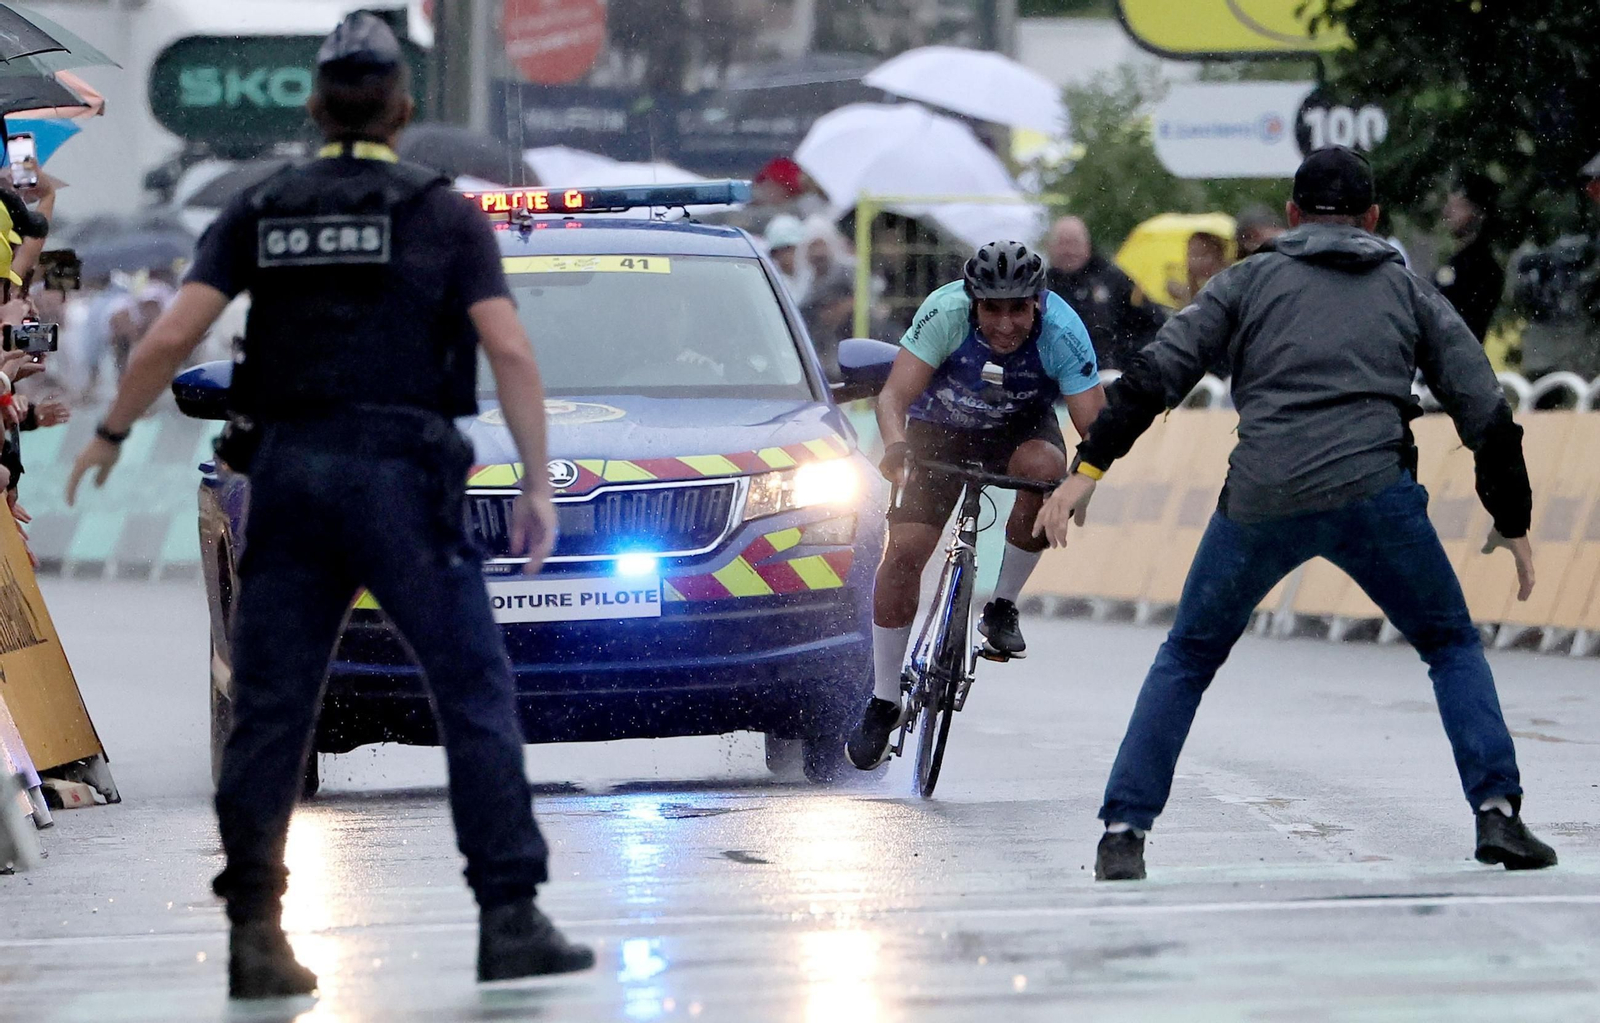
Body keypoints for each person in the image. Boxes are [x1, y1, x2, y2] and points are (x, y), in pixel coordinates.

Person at [65, 12, 594, 999]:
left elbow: (170, 338)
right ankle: (509, 917)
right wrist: (531, 482)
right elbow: (510, 352)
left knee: (271, 714)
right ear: (401, 110)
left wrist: (106, 434)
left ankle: (257, 934)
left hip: (294, 484)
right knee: (473, 694)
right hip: (407, 483)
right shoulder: (444, 215)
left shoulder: (262, 207)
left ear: (312, 108)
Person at [1034, 147, 1557, 882]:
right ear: (1374, 219)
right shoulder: (1406, 289)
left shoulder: (1247, 280)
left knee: (1187, 656)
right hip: (1375, 496)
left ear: (1290, 217)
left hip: (1261, 498)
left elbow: (1156, 374)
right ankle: (1498, 813)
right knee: (1449, 644)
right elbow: (1484, 408)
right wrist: (1513, 515)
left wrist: (1088, 469)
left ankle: (1124, 830)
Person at [845, 240, 1107, 770]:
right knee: (905, 554)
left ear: (1038, 301)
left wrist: (1080, 481)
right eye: (993, 308)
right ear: (972, 302)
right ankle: (884, 699)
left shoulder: (1063, 331)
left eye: (1019, 308)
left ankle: (1002, 605)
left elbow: (1097, 430)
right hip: (939, 431)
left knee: (1045, 474)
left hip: (1020, 430)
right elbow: (893, 398)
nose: (1007, 323)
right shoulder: (943, 313)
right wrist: (896, 448)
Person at [1044, 215, 1166, 371]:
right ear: (1049, 248)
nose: (1068, 251)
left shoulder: (1114, 280)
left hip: (1111, 377)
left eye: (1074, 243)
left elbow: (1154, 322)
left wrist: (1128, 360)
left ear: (1087, 246)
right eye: (1062, 243)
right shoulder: (1041, 287)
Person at [1435, 171, 1505, 342]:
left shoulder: (1483, 269)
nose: (1447, 213)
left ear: (1479, 212)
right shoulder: (1457, 262)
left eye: (1458, 206)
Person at [1166, 231, 1229, 307]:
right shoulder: (1191, 285)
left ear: (1218, 255)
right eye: (1191, 254)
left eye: (1202, 255)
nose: (1195, 261)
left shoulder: (1226, 285)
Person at [763, 214, 806, 300]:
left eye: (788, 249)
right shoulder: (770, 283)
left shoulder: (813, 276)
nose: (784, 256)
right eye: (777, 252)